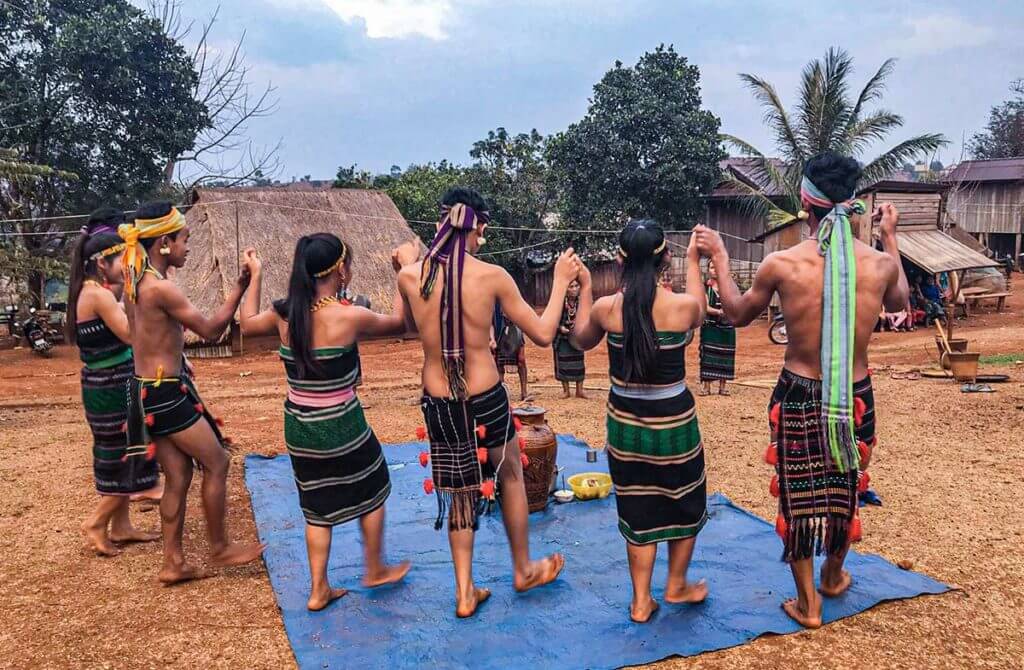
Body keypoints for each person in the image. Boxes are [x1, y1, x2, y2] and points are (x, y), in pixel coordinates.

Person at [695, 152, 910, 629]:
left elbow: (734, 313)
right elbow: (901, 303)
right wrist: (890, 237)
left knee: (799, 493)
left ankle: (808, 602)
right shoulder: (877, 265)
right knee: (845, 484)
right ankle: (834, 577)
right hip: (855, 390)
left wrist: (722, 259)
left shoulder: (782, 264)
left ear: (805, 204)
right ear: (853, 204)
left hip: (798, 389)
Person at [396, 186, 574, 618]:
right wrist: (561, 281)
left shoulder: (409, 277)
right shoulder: (492, 277)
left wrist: (405, 265)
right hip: (486, 394)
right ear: (478, 226)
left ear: (440, 223)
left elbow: (405, 325)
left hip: (439, 401)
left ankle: (463, 591)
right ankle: (523, 569)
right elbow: (545, 333)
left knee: (459, 492)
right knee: (510, 474)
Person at [238, 236, 417, 611]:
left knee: (316, 506)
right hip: (342, 424)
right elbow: (402, 323)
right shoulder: (349, 315)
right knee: (374, 484)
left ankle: (319, 588)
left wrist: (254, 275)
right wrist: (404, 272)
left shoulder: (285, 314)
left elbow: (247, 324)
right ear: (340, 270)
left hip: (300, 428)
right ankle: (374, 568)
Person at [119, 201, 265, 585]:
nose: (188, 246)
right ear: (164, 243)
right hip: (166, 394)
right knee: (217, 462)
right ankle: (219, 548)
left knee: (179, 475)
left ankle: (174, 563)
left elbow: (149, 338)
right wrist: (240, 287)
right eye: (185, 240)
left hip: (147, 390)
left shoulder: (134, 283)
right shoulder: (161, 289)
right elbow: (211, 330)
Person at [571, 219, 710, 623]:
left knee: (637, 506)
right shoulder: (682, 308)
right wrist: (695, 261)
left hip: (625, 431)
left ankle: (640, 601)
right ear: (665, 258)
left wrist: (584, 287)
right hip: (675, 429)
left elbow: (579, 338)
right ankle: (677, 584)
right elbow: (699, 307)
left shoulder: (606, 309)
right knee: (686, 499)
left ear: (619, 259)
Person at [68, 209, 160, 556]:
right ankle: (96, 522)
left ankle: (120, 527)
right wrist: (139, 299)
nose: (126, 262)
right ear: (102, 263)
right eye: (121, 257)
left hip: (103, 382)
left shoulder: (89, 290)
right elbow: (130, 334)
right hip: (110, 387)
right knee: (125, 455)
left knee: (116, 452)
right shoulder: (98, 295)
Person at [699, 261, 736, 396]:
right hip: (710, 326)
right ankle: (706, 387)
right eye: (712, 267)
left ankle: (722, 387)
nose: (715, 270)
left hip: (727, 327)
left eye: (717, 267)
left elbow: (735, 302)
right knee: (708, 355)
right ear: (708, 270)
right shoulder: (704, 287)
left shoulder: (729, 287)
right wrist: (720, 312)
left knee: (725, 355)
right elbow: (705, 306)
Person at [553, 279, 587, 399]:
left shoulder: (583, 302)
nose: (574, 289)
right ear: (566, 289)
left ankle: (579, 391)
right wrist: (560, 327)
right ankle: (566, 391)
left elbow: (587, 318)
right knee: (563, 362)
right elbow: (552, 319)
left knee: (579, 362)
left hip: (577, 338)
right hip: (562, 338)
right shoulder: (559, 303)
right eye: (571, 286)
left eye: (576, 286)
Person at [492, 306, 529, 401]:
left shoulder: (512, 294)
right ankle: (501, 392)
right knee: (499, 364)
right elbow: (490, 321)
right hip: (499, 332)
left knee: (521, 360)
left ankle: (524, 392)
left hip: (516, 332)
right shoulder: (494, 303)